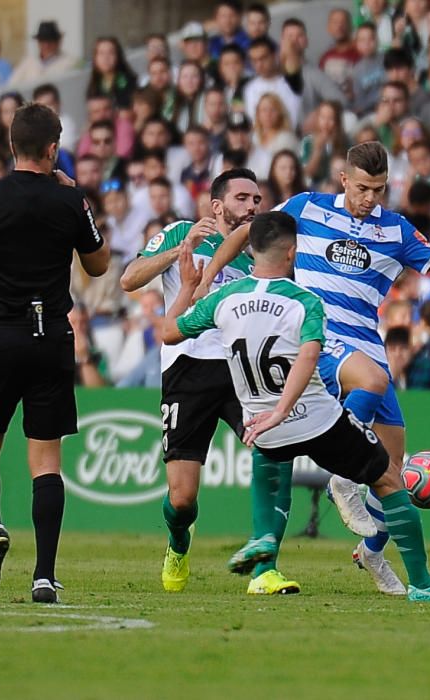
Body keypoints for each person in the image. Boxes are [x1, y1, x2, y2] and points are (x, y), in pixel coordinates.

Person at [195, 141, 430, 594]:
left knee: (391, 469)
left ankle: (374, 554)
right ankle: (340, 480)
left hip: (366, 344)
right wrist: (207, 278)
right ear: (343, 180)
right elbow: (249, 234)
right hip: (318, 339)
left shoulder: (396, 231)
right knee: (361, 393)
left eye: (379, 190)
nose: (370, 199)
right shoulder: (307, 207)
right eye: (362, 188)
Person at [163, 211, 430, 603]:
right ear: (292, 254)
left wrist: (188, 288)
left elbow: (168, 332)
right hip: (315, 419)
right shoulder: (305, 301)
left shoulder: (225, 298)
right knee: (390, 480)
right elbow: (309, 358)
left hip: (263, 425)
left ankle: (263, 540)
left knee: (270, 469)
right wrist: (283, 409)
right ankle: (424, 585)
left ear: (251, 250)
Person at [0, 103, 109, 604]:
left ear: (12, 144)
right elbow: (99, 265)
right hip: (52, 338)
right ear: (54, 148)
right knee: (46, 461)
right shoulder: (70, 200)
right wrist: (76, 198)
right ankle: (43, 575)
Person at [120, 169, 298, 595]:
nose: (253, 207)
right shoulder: (182, 232)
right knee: (181, 499)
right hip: (187, 368)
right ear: (217, 206)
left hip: (242, 368)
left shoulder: (261, 252)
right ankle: (178, 542)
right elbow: (129, 279)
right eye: (242, 198)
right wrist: (180, 251)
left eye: (257, 200)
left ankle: (265, 568)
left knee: (275, 448)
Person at [9, 21, 77, 85]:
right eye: (42, 41)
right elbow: (12, 84)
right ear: (38, 42)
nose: (46, 45)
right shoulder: (28, 62)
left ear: (58, 42)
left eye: (50, 41)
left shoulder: (69, 63)